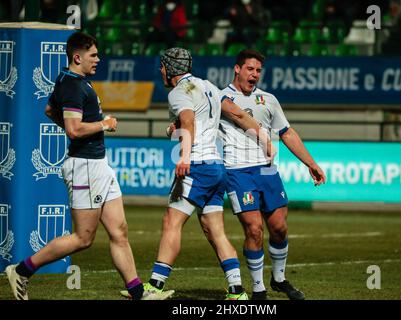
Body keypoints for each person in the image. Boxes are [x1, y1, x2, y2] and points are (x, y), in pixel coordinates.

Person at [5, 32, 156, 301]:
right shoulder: (74, 85)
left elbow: (50, 111)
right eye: (93, 55)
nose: (98, 59)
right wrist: (104, 124)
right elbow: (74, 129)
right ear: (78, 57)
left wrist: (85, 127)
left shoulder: (69, 80)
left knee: (119, 231)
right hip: (85, 166)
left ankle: (137, 293)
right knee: (83, 238)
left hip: (98, 164)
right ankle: (21, 270)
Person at [120, 47, 272, 300]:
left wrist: (184, 156)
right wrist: (264, 137)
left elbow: (189, 120)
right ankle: (236, 291)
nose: (160, 71)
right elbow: (235, 113)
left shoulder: (179, 92)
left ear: (169, 69)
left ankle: (155, 287)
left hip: (198, 166)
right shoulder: (208, 86)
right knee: (215, 230)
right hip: (216, 167)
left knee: (172, 222)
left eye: (162, 66)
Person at [220, 49, 326, 300]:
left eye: (258, 70)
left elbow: (287, 133)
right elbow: (198, 119)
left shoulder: (268, 99)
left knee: (278, 227)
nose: (254, 74)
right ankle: (258, 289)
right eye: (250, 69)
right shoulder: (221, 97)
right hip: (238, 171)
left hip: (267, 171)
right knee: (254, 229)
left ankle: (279, 279)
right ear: (237, 69)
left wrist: (310, 163)